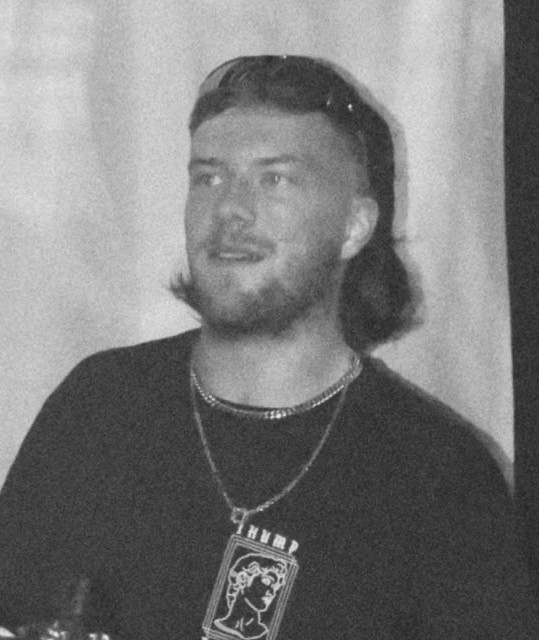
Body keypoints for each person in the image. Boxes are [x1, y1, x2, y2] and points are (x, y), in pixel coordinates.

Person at [0, 55, 536, 640]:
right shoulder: (98, 408)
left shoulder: (442, 480)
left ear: (355, 226)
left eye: (274, 179)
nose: (229, 208)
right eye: (209, 177)